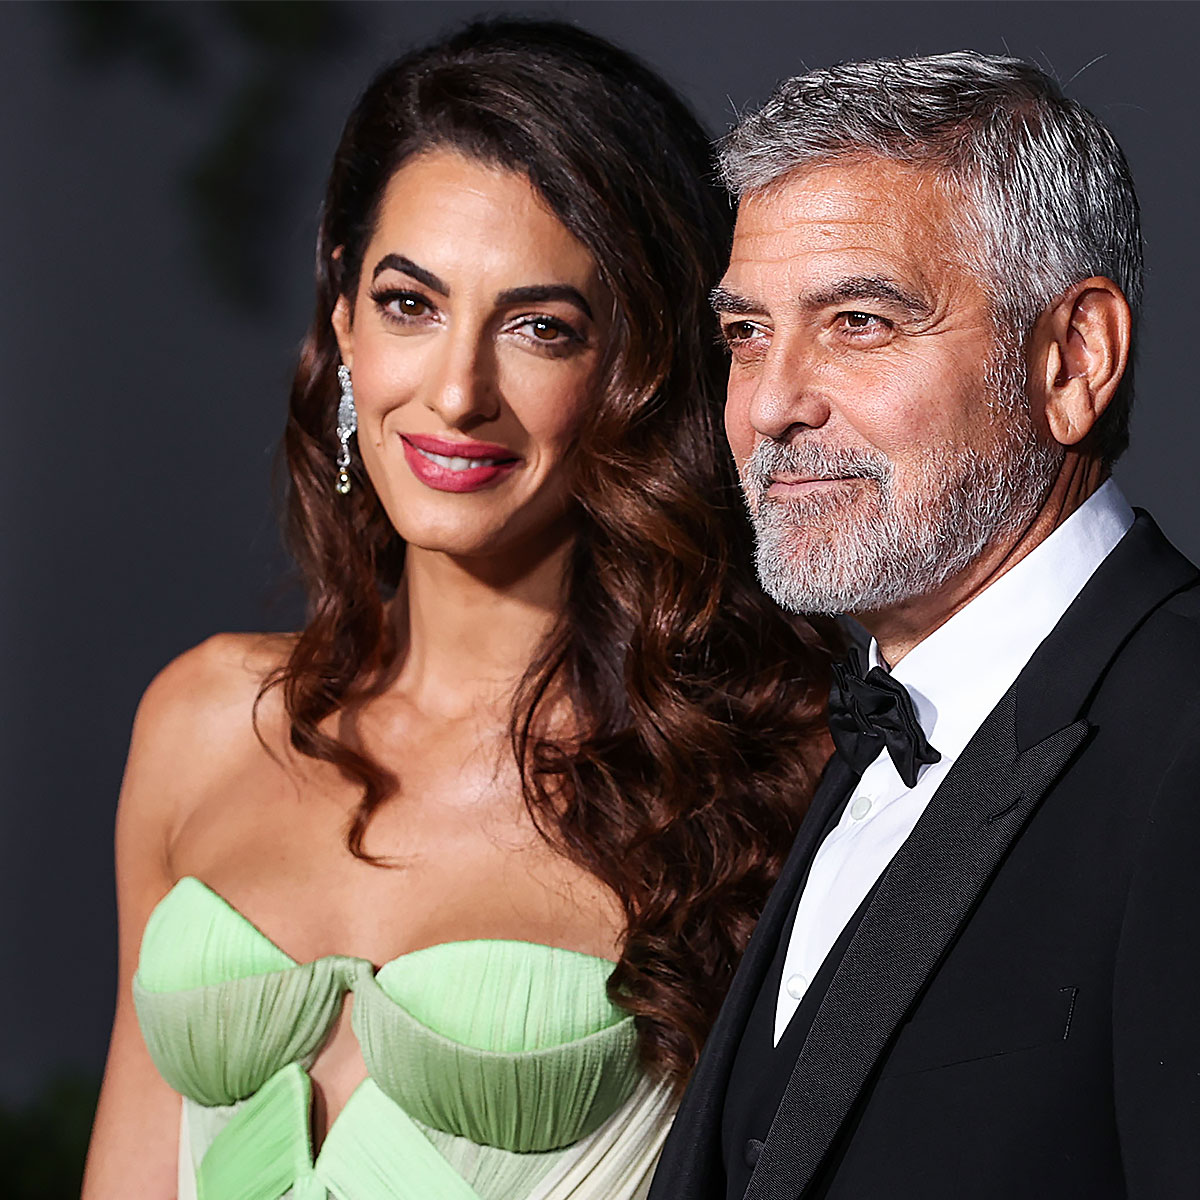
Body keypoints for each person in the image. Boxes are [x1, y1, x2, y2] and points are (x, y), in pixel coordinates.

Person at [80, 18, 837, 1200]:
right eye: (409, 304)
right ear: (343, 316)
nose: (456, 391)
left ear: (640, 367)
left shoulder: (763, 776)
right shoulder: (205, 723)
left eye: (542, 327)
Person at [650, 49, 1200, 1200]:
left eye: (858, 321)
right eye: (746, 333)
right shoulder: (872, 723)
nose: (772, 404)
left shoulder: (1182, 735)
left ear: (1073, 359)